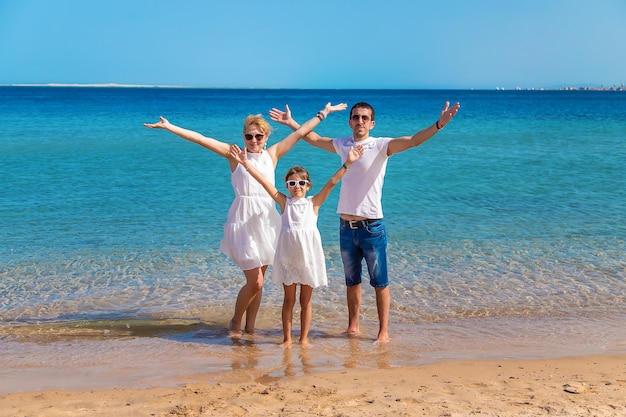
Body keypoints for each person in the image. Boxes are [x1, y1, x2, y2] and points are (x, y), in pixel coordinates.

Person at [143, 101, 347, 335]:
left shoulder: (272, 155)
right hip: (243, 221)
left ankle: (250, 328)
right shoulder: (234, 155)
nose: (254, 141)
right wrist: (170, 127)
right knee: (255, 282)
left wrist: (325, 113)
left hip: (269, 222)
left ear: (266, 137)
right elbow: (201, 139)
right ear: (243, 137)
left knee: (259, 281)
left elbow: (301, 133)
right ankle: (236, 322)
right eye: (249, 136)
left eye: (258, 136)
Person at [270, 100, 461, 344]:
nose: (360, 121)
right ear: (350, 122)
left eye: (364, 118)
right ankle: (353, 327)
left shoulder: (381, 145)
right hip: (346, 226)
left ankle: (383, 332)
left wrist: (438, 125)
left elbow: (413, 140)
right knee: (352, 282)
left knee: (380, 282)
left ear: (371, 123)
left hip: (372, 226)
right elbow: (314, 139)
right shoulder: (343, 145)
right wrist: (291, 123)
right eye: (356, 117)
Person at [230, 142, 364, 347]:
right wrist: (246, 165)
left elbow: (332, 183)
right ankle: (287, 339)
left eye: (301, 183)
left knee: (306, 301)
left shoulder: (314, 203)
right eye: (292, 184)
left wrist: (348, 163)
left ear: (308, 185)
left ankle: (303, 339)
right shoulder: (284, 202)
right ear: (286, 186)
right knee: (289, 300)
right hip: (288, 258)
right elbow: (264, 182)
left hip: (308, 258)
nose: (297, 187)